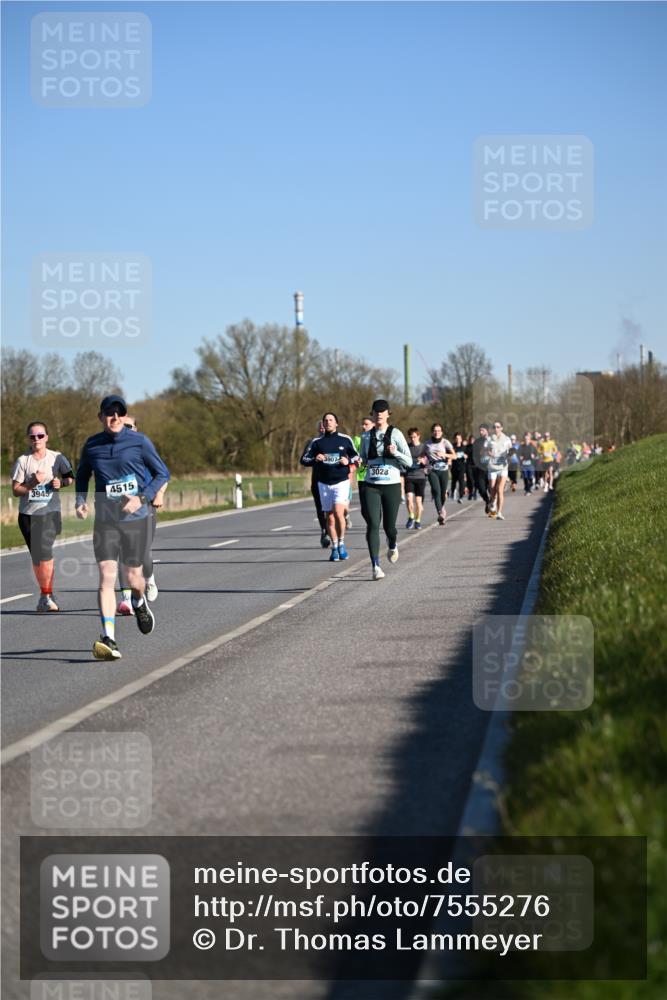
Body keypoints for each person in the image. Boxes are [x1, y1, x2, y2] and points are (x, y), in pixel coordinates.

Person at [75, 395, 170, 661]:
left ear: (124, 416)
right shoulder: (92, 445)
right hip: (105, 521)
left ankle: (139, 602)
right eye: (109, 413)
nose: (114, 417)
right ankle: (109, 638)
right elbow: (82, 474)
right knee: (106, 576)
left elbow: (163, 473)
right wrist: (81, 500)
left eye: (119, 413)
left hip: (136, 520)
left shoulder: (139, 442)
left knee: (133, 580)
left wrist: (141, 497)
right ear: (101, 417)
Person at [11, 421, 74, 612]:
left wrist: (60, 483)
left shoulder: (58, 458)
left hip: (50, 513)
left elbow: (70, 478)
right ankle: (45, 594)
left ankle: (46, 596)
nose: (36, 439)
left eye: (40, 435)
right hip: (28, 515)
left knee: (44, 551)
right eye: (32, 436)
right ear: (29, 439)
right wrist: (31, 483)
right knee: (38, 558)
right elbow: (16, 490)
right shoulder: (23, 461)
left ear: (46, 437)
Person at [117, 414, 168, 615]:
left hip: (145, 506)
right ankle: (127, 600)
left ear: (136, 428)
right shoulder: (113, 451)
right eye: (123, 426)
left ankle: (150, 579)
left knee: (143, 552)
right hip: (119, 509)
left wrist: (160, 495)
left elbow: (163, 473)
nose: (126, 429)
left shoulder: (142, 447)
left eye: (130, 426)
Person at [358, 399, 412, 580]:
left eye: (383, 411)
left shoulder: (396, 433)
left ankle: (393, 544)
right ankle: (375, 566)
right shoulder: (366, 436)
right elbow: (364, 459)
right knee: (373, 524)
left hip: (391, 485)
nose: (379, 414)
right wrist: (359, 461)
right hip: (371, 485)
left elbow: (409, 461)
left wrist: (395, 452)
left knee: (389, 527)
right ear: (372, 414)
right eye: (376, 411)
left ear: (388, 414)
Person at [300, 412, 359, 563]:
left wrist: (348, 460)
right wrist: (315, 459)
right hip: (323, 483)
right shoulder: (317, 442)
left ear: (336, 423)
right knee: (330, 518)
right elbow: (304, 459)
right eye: (325, 420)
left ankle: (342, 543)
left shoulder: (345, 439)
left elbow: (357, 456)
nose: (328, 422)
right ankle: (334, 547)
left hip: (341, 481)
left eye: (331, 420)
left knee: (339, 513)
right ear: (323, 424)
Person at [301, 420, 331, 549]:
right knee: (321, 509)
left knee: (334, 509)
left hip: (336, 480)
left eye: (324, 427)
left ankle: (334, 532)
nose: (323, 430)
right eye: (320, 428)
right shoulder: (313, 443)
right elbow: (304, 459)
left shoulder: (339, 440)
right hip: (318, 480)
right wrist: (315, 459)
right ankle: (324, 530)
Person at [423, 423, 456, 525]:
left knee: (443, 493)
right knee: (436, 491)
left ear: (441, 432)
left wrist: (444, 454)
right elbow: (423, 454)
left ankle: (442, 508)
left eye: (438, 431)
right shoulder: (427, 443)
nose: (436, 432)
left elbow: (454, 456)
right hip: (432, 470)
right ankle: (441, 513)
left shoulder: (445, 442)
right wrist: (422, 461)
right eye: (435, 431)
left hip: (443, 470)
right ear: (432, 432)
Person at [487, 420, 513, 520]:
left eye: (498, 427)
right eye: (494, 427)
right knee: (492, 490)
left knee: (499, 490)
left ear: (502, 428)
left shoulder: (507, 439)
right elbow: (485, 450)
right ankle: (492, 502)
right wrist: (489, 453)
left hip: (503, 467)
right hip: (492, 467)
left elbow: (511, 450)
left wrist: (509, 455)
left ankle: (499, 513)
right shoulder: (490, 439)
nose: (496, 429)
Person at [404, 427, 428, 529]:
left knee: (418, 503)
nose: (413, 439)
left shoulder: (424, 447)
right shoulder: (407, 447)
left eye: (414, 437)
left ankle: (418, 521)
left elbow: (429, 460)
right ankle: (411, 516)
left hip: (420, 477)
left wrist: (424, 461)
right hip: (409, 476)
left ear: (418, 436)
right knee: (409, 499)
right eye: (411, 437)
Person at [353, 416, 374, 524]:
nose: (363, 426)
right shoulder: (357, 439)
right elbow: (352, 455)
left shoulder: (377, 439)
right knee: (364, 508)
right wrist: (356, 460)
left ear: (373, 425)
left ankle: (374, 524)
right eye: (363, 424)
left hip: (374, 476)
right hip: (362, 476)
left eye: (366, 424)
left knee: (373, 505)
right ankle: (371, 524)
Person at [472, 424, 492, 512]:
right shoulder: (477, 442)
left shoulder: (493, 440)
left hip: (491, 468)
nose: (480, 432)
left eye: (482, 430)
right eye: (480, 430)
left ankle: (492, 504)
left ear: (487, 431)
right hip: (480, 469)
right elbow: (474, 455)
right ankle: (487, 501)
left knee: (492, 489)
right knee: (481, 489)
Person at [450, 433, 468, 503]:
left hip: (462, 467)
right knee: (454, 481)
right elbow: (449, 454)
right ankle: (453, 492)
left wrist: (466, 456)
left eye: (459, 438)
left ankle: (460, 496)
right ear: (455, 439)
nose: (458, 440)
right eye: (456, 438)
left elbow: (468, 455)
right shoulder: (452, 447)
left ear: (461, 439)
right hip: (454, 466)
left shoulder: (464, 447)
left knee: (461, 482)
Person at [465, 434, 477, 500]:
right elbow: (464, 454)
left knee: (475, 480)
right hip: (469, 464)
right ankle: (470, 492)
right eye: (470, 440)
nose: (472, 441)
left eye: (473, 440)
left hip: (475, 465)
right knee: (470, 479)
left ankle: (474, 492)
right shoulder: (467, 447)